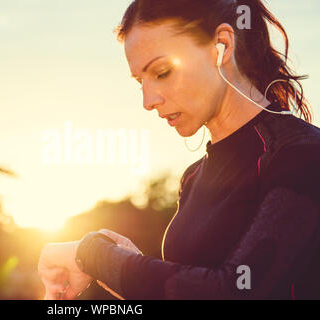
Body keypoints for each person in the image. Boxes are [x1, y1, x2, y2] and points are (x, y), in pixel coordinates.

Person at [37, 0, 320, 300]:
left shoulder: (302, 156)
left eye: (161, 72)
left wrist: (92, 254)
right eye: (139, 81)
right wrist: (125, 261)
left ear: (222, 45)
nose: (147, 101)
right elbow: (185, 287)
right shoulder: (193, 177)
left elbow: (235, 290)